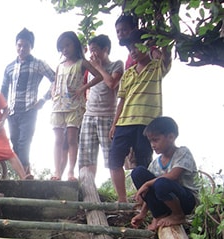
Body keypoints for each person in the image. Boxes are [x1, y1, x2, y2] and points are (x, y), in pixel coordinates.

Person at [109, 29, 172, 202]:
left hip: (147, 123)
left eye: (137, 46)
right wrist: (114, 124)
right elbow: (121, 101)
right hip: (124, 122)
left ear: (148, 46)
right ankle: (122, 199)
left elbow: (166, 56)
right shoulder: (128, 73)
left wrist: (160, 40)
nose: (133, 51)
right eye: (130, 49)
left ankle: (143, 200)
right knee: (114, 158)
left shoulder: (156, 67)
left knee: (143, 161)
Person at [1, 28, 55, 176]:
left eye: (25, 45)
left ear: (31, 46)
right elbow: (4, 89)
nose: (22, 48)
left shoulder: (38, 64)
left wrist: (43, 99)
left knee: (24, 143)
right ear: (15, 45)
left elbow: (56, 80)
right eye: (19, 45)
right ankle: (26, 173)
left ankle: (24, 175)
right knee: (15, 143)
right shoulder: (10, 67)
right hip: (12, 111)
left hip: (29, 110)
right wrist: (2, 110)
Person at [51, 31, 102, 181]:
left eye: (68, 45)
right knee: (58, 140)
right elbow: (55, 82)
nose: (65, 49)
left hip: (74, 105)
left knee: (72, 139)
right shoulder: (59, 66)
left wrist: (82, 88)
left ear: (75, 45)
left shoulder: (82, 63)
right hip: (58, 106)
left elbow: (98, 76)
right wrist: (54, 92)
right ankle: (57, 171)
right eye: (62, 47)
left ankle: (71, 172)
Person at [130, 117, 197, 231]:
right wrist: (143, 213)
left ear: (171, 137)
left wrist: (147, 184)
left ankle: (178, 215)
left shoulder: (182, 153)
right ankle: (159, 215)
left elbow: (173, 176)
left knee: (161, 183)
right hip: (165, 201)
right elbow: (150, 191)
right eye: (150, 141)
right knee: (138, 172)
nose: (152, 145)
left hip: (186, 202)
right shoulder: (155, 163)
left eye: (156, 140)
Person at [78, 35, 124, 178]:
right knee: (86, 158)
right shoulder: (89, 69)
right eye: (90, 51)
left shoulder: (116, 64)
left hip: (107, 116)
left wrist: (98, 67)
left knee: (112, 159)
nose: (92, 54)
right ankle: (88, 190)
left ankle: (120, 195)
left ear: (106, 49)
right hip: (89, 115)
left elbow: (112, 84)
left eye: (95, 50)